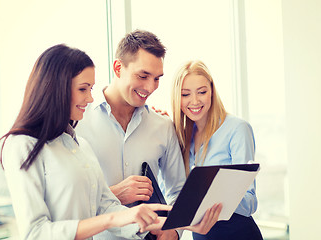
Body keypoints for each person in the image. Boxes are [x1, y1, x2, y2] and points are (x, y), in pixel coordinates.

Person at [0, 44, 174, 240]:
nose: (90, 98)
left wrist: (168, 225)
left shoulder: (80, 145)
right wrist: (109, 221)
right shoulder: (22, 145)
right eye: (83, 89)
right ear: (56, 88)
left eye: (91, 89)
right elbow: (36, 232)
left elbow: (105, 207)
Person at [76, 30, 222, 240]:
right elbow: (67, 202)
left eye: (156, 78)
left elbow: (178, 190)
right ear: (118, 68)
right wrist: (115, 193)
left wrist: (175, 230)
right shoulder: (78, 123)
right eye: (143, 76)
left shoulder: (162, 126)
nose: (150, 87)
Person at [171, 60, 263, 240]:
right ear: (177, 98)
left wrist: (215, 194)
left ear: (212, 91)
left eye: (202, 92)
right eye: (185, 94)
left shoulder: (237, 129)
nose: (195, 101)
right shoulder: (181, 137)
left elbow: (250, 202)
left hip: (239, 234)